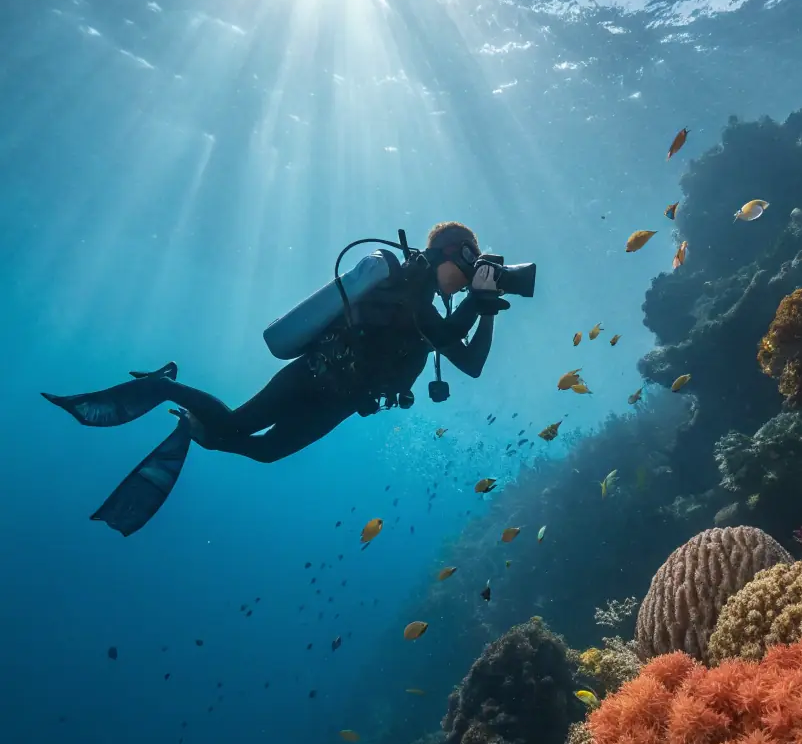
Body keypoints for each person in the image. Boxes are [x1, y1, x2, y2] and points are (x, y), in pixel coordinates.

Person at [43, 222, 512, 535]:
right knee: (239, 426)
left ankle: (194, 426)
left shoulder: (431, 309)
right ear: (448, 253)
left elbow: (470, 362)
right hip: (312, 374)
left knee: (265, 452)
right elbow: (448, 330)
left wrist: (487, 311)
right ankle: (164, 385)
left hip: (342, 401)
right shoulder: (406, 284)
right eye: (469, 266)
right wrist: (480, 300)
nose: (470, 278)